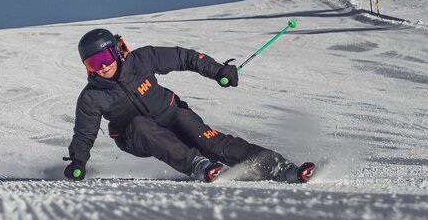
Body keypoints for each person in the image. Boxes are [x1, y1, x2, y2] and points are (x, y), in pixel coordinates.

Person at [62, 28, 314, 183]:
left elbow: (185, 57)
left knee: (211, 142)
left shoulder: (143, 59)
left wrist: (218, 71)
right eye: (93, 63)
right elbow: (84, 134)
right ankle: (196, 164)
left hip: (172, 113)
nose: (103, 66)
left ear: (115, 52)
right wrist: (78, 162)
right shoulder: (91, 96)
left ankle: (281, 167)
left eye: (105, 57)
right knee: (140, 124)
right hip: (135, 136)